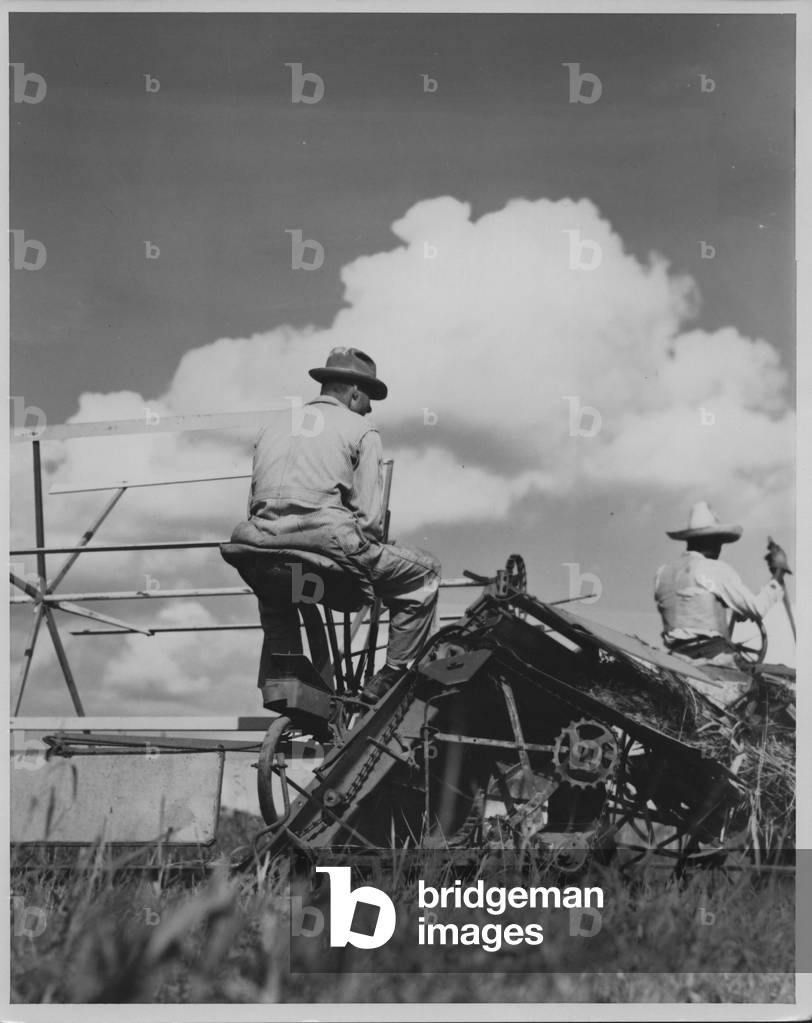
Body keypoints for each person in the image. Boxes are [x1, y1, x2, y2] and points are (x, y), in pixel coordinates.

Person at [238, 346, 440, 702]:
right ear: (354, 393)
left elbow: (253, 500)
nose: (370, 407)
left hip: (259, 546)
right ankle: (391, 677)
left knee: (275, 591)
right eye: (368, 399)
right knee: (425, 575)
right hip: (328, 554)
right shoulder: (362, 429)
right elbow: (370, 521)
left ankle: (286, 682)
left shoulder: (272, 426)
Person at [654, 501, 787, 666]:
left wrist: (737, 612)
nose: (720, 547)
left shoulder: (663, 573)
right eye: (720, 541)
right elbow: (757, 609)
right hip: (713, 656)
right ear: (713, 541)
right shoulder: (715, 569)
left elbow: (693, 602)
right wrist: (778, 576)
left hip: (676, 658)